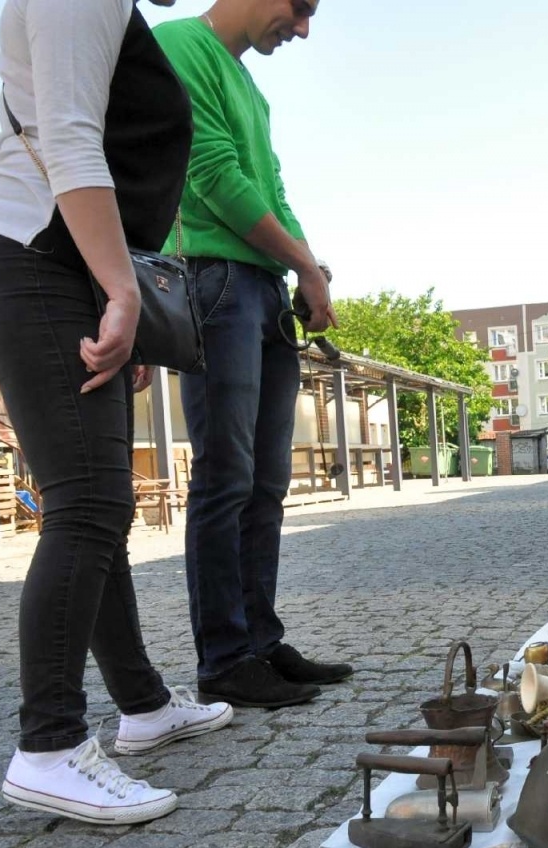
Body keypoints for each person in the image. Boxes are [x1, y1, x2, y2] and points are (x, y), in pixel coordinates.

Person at [0, 0, 234, 826]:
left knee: (100, 507)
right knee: (88, 507)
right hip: (34, 261)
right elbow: (67, 139)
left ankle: (143, 705)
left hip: (62, 269)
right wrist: (123, 290)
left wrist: (119, 293)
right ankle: (48, 747)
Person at [156, 0, 352, 709]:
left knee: (265, 482)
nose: (301, 29)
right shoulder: (178, 46)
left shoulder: (252, 89)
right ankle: (224, 660)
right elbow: (213, 176)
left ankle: (260, 642)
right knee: (224, 477)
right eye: (299, 8)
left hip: (263, 290)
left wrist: (308, 270)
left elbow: (272, 187)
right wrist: (305, 263)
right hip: (213, 281)